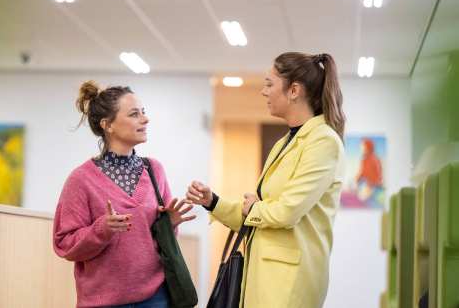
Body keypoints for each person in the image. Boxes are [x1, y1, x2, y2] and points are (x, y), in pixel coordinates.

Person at [187, 52, 346, 308]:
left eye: (270, 84)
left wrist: (255, 207)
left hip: (289, 282)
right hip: (263, 277)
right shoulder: (285, 142)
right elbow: (258, 215)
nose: (264, 91)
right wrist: (213, 202)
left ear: (294, 90)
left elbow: (286, 212)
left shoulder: (323, 141)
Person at [53, 80, 196, 308]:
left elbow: (158, 241)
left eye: (144, 112)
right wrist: (102, 229)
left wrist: (170, 223)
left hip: (157, 298)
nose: (145, 119)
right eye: (134, 114)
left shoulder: (154, 170)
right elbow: (64, 244)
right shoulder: (80, 180)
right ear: (107, 125)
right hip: (102, 302)